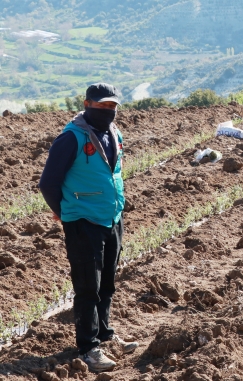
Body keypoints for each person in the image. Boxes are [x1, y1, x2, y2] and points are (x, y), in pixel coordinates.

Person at [39, 83, 138, 373]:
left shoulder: (114, 133)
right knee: (87, 287)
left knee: (107, 282)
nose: (108, 110)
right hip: (83, 221)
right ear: (86, 103)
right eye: (102, 105)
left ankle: (105, 334)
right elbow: (48, 183)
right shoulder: (71, 138)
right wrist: (64, 213)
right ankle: (88, 347)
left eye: (112, 106)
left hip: (111, 217)